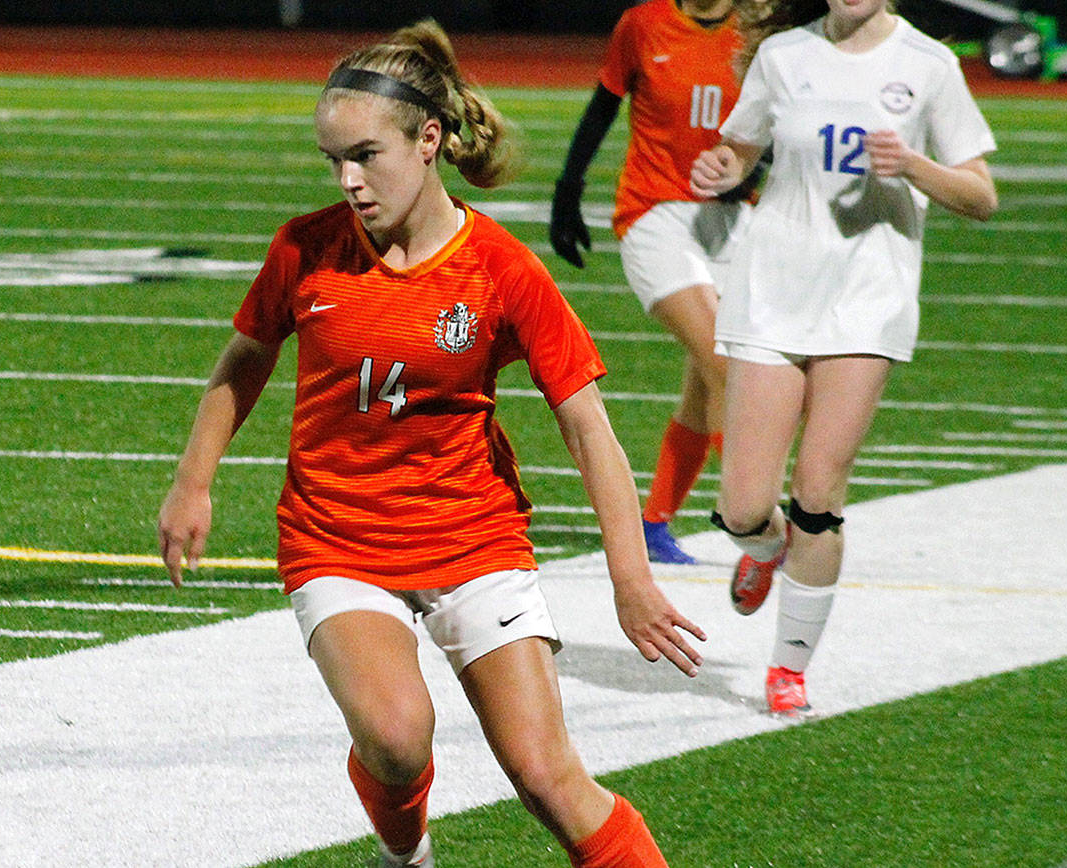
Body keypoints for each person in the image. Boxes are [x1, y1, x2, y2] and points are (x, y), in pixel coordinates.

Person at [158, 20, 706, 868]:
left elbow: (588, 426)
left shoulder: (499, 266)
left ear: (429, 140)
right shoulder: (305, 250)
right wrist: (193, 484)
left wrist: (630, 580)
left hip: (474, 538)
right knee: (398, 736)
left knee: (546, 775)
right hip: (337, 541)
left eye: (366, 155)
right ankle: (405, 851)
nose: (347, 179)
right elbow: (245, 360)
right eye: (331, 158)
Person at [689, 0, 997, 715]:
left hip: (867, 300)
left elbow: (981, 196)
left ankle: (788, 671)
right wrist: (722, 169)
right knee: (741, 508)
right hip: (771, 290)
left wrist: (915, 166)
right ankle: (763, 551)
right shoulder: (783, 56)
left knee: (819, 499)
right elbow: (741, 148)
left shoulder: (928, 65)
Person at [551, 0, 759, 565]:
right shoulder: (644, 23)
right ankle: (755, 521)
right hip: (653, 215)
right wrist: (568, 188)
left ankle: (655, 523)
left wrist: (751, 174)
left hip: (735, 220)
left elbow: (782, 122)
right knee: (723, 356)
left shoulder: (762, 26)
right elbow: (602, 107)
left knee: (708, 374)